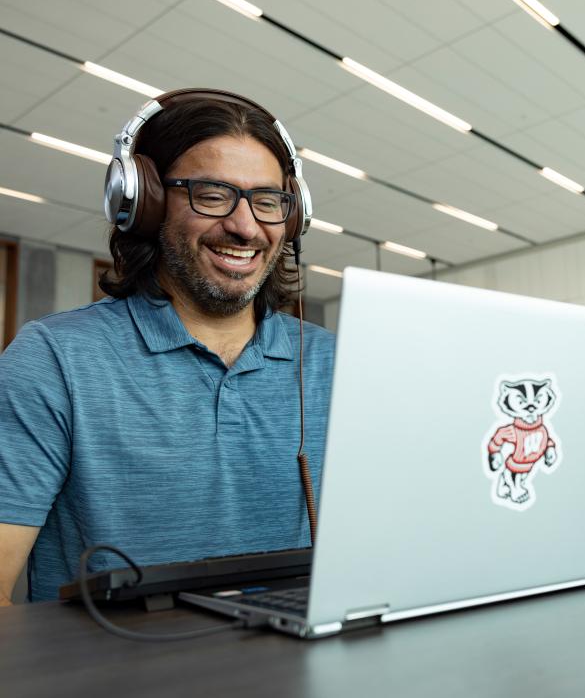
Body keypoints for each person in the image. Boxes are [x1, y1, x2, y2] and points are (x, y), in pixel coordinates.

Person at [0, 89, 335, 604]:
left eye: (267, 201)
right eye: (211, 193)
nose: (245, 226)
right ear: (145, 203)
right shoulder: (52, 360)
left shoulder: (335, 365)